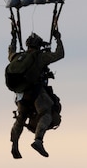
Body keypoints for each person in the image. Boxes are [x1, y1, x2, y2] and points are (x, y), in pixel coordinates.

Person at [8, 28, 64, 158]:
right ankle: (38, 140)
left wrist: (14, 38)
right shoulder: (40, 57)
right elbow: (60, 54)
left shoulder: (17, 57)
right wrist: (58, 38)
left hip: (21, 94)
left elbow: (10, 51)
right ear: (38, 46)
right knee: (46, 112)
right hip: (36, 92)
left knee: (21, 117)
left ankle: (14, 143)